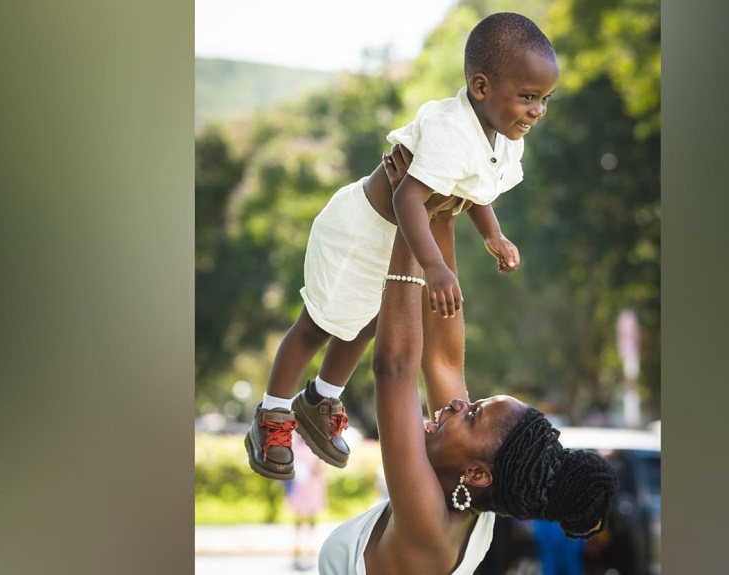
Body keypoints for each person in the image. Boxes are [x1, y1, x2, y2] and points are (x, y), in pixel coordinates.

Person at [245, 12, 562, 480]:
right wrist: (434, 266)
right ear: (481, 88)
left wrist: (492, 234)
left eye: (545, 99)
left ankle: (318, 399)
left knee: (368, 322)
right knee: (319, 324)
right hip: (361, 231)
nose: (538, 111)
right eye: (529, 98)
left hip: (395, 236)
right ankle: (272, 416)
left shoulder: (502, 131)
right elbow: (408, 195)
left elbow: (471, 188)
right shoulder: (449, 130)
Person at [316, 142, 618, 574]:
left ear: (477, 475)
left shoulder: (428, 527)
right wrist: (440, 207)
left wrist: (410, 214)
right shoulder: (477, 501)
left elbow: (395, 369)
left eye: (472, 414)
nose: (459, 403)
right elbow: (440, 358)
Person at [285, 435, 328, 571]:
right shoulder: (294, 447)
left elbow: (318, 468)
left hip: (311, 486)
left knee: (311, 516)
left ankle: (310, 543)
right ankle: (298, 544)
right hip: (299, 486)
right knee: (299, 516)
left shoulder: (313, 447)